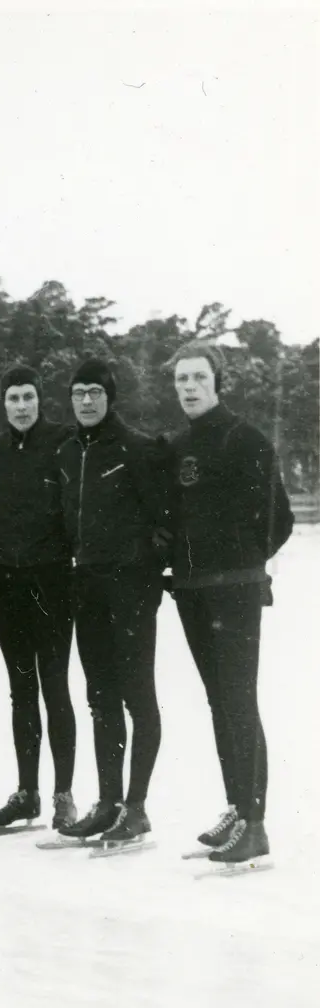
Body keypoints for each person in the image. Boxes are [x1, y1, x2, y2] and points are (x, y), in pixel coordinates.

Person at [167, 341, 293, 866]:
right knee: (220, 701)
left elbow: (279, 520)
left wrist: (241, 566)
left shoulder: (249, 440)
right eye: (181, 380)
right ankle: (237, 809)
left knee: (238, 700)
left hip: (235, 591)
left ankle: (255, 823)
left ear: (217, 381)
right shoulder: (177, 447)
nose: (189, 387)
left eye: (198, 377)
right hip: (192, 592)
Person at [55, 358, 171, 849]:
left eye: (95, 393)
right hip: (88, 588)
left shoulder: (138, 448)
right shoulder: (66, 452)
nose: (86, 400)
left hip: (131, 588)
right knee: (100, 697)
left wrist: (143, 570)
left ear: (110, 397)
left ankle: (136, 807)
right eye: (79, 392)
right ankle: (108, 803)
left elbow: (166, 522)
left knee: (136, 695)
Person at [0, 366, 78, 831]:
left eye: (28, 397)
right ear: (4, 404)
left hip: (54, 584)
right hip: (8, 583)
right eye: (13, 398)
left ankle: (64, 794)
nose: (21, 406)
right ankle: (27, 792)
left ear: (40, 400)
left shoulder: (63, 441)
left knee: (55, 685)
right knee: (21, 689)